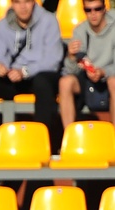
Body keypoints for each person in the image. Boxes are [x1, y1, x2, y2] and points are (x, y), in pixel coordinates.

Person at [0, 0, 63, 154]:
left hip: (38, 74)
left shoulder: (49, 21)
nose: (22, 6)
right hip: (13, 75)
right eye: (17, 2)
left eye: (27, 1)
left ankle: (41, 139)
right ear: (12, 4)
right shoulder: (3, 24)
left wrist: (25, 71)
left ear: (34, 3)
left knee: (44, 83)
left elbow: (53, 60)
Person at [59, 0, 115, 128]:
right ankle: (69, 139)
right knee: (65, 82)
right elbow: (69, 70)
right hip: (87, 78)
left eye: (97, 9)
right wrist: (71, 57)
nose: (93, 14)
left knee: (114, 82)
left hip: (110, 75)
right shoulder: (80, 30)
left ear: (104, 9)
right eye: (88, 10)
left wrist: (103, 72)